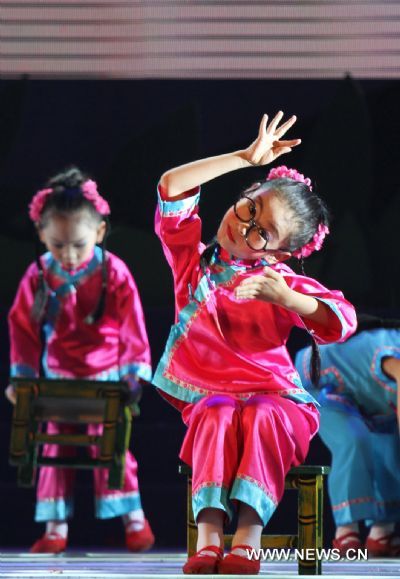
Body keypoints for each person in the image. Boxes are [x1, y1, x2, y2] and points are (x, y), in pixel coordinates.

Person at [153, 112, 357, 574]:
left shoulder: (279, 280)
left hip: (278, 401)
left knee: (263, 414)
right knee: (216, 413)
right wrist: (242, 158)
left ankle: (248, 538)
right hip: (211, 395)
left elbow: (341, 321)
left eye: (261, 233)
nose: (243, 228)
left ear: (281, 253)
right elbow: (171, 186)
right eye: (248, 209)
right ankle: (208, 538)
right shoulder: (194, 264)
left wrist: (290, 299)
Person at [6, 167, 154, 554]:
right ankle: (55, 528)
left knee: (111, 445)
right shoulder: (38, 275)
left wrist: (133, 373)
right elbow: (22, 327)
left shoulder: (113, 271)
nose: (68, 256)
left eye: (78, 245)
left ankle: (134, 520)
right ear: (41, 234)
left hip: (105, 376)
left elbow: (132, 326)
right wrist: (21, 377)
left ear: (100, 232)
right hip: (58, 375)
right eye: (57, 245)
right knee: (52, 449)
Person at [295, 314, 400, 558]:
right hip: (324, 383)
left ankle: (382, 530)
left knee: (390, 447)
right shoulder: (393, 354)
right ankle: (346, 531)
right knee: (354, 439)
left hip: (371, 397)